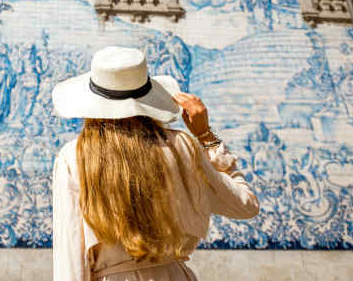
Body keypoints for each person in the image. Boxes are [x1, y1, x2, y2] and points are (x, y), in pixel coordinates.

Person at [51, 46, 260, 281]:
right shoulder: (183, 147)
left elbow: (70, 256)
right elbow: (246, 205)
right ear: (147, 97)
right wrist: (207, 137)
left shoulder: (74, 157)